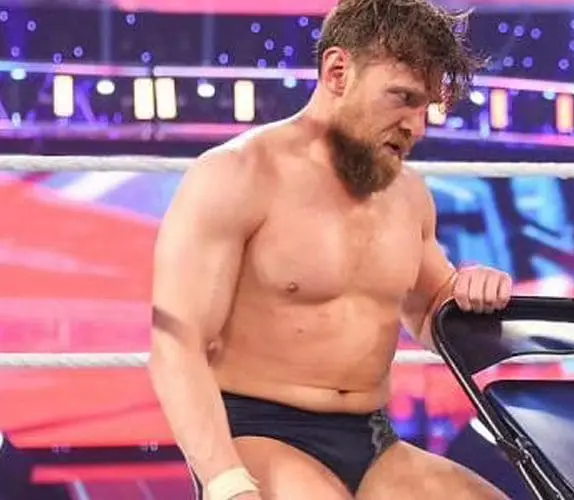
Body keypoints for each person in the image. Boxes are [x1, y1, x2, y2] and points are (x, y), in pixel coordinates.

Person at [147, 0, 513, 499]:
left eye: (425, 107)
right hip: (258, 432)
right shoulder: (238, 174)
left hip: (372, 439)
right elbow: (177, 346)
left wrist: (473, 290)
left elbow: (433, 315)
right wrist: (224, 480)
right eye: (403, 98)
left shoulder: (408, 195)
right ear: (338, 72)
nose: (417, 127)